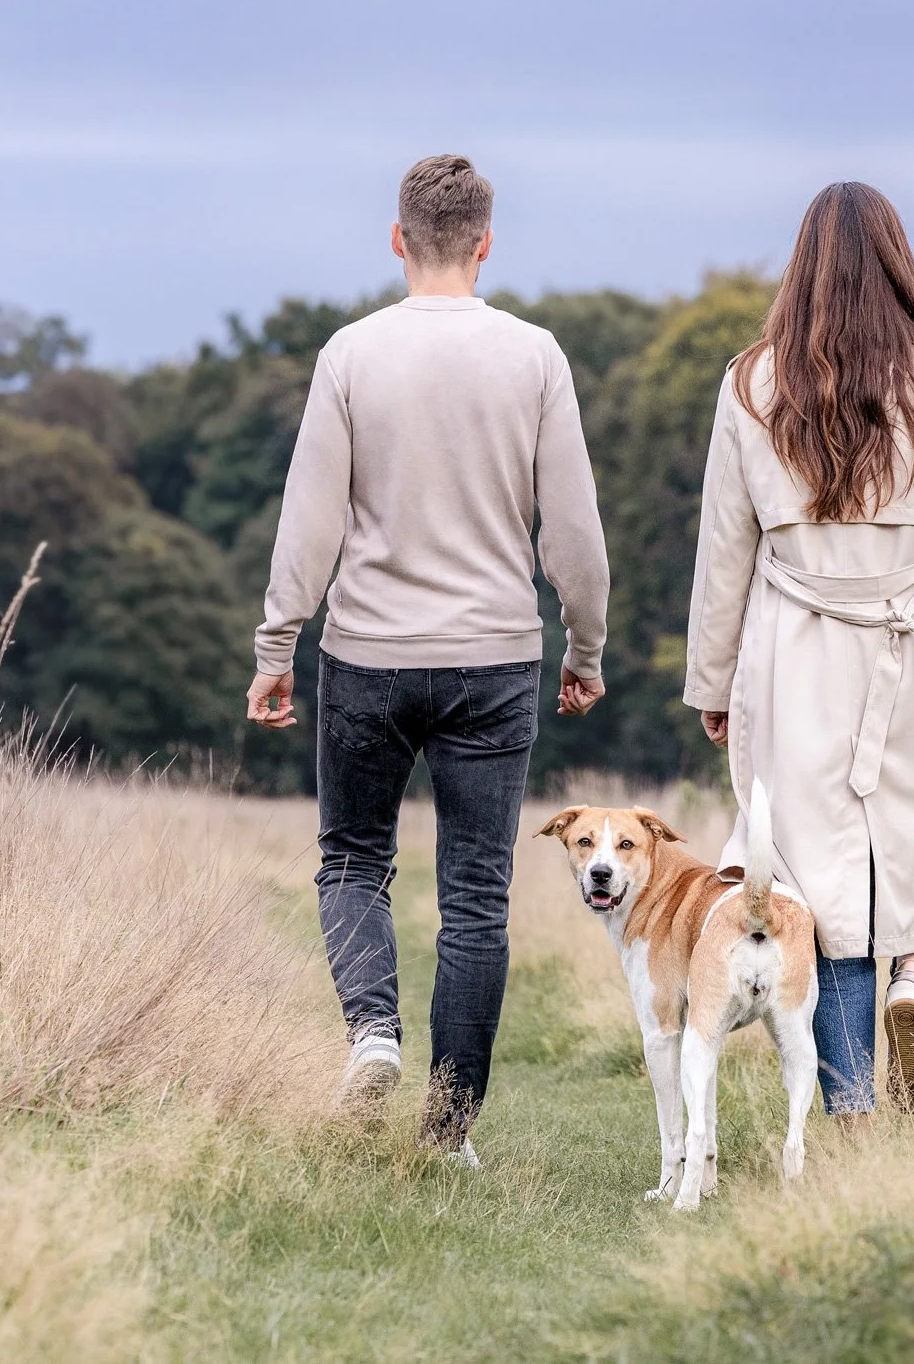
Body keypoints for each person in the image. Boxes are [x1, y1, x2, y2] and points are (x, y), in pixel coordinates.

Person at [247, 155, 609, 1162]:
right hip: (495, 658)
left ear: (397, 239)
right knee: (477, 895)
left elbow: (309, 519)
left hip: (367, 652)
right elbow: (572, 530)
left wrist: (279, 644)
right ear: (487, 244)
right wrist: (586, 645)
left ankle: (372, 1031)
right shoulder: (536, 355)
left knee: (354, 856)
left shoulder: (350, 354)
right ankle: (448, 1131)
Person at [683, 181, 914, 1126]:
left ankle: (849, 1107)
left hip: (793, 660)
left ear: (799, 268)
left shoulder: (749, 383)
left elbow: (726, 546)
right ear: (897, 264)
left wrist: (713, 679)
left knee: (821, 891)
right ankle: (913, 976)